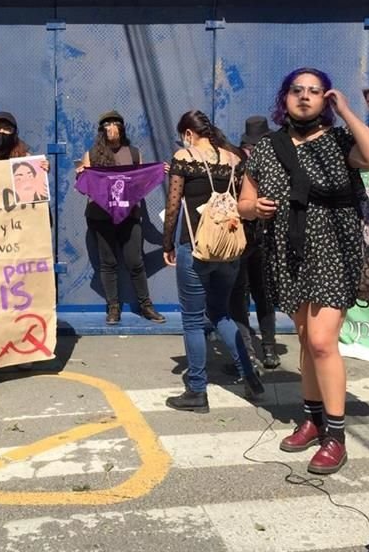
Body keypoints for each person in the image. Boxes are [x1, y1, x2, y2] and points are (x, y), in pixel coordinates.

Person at [239, 67, 369, 475]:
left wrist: (346, 111)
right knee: (306, 340)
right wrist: (255, 209)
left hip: (334, 251)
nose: (304, 97)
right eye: (296, 90)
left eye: (315, 91)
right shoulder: (267, 148)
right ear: (284, 97)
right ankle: (312, 417)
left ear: (326, 99)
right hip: (286, 253)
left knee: (323, 342)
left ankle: (336, 436)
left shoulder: (341, 141)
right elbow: (244, 201)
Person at [162, 110, 264, 413]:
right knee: (222, 314)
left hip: (195, 249)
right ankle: (250, 376)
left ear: (189, 133)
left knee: (193, 321)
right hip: (230, 250)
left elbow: (172, 208)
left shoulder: (184, 156)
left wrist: (167, 243)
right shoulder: (234, 159)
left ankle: (196, 390)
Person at [76, 110, 165, 325]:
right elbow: (87, 184)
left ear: (122, 128)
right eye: (106, 125)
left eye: (115, 124)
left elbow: (140, 182)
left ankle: (145, 305)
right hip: (100, 216)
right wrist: (81, 174)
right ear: (101, 130)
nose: (111, 128)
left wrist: (159, 170)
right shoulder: (92, 153)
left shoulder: (133, 153)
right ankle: (113, 307)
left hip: (130, 214)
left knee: (135, 261)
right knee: (108, 262)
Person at [229, 116, 279, 369]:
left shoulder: (240, 169)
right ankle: (266, 350)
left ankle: (249, 352)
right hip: (263, 239)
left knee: (244, 295)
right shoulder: (274, 167)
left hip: (247, 238)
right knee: (261, 295)